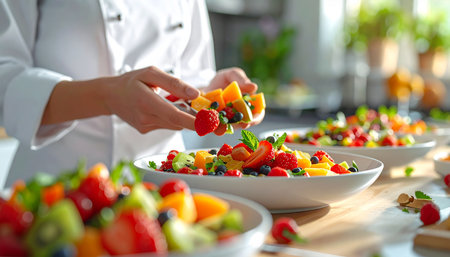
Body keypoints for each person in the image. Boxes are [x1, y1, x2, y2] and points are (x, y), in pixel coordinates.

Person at [0, 0, 264, 186]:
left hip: (164, 186)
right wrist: (108, 95)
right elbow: (5, 78)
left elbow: (191, 72)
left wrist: (209, 93)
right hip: (58, 186)